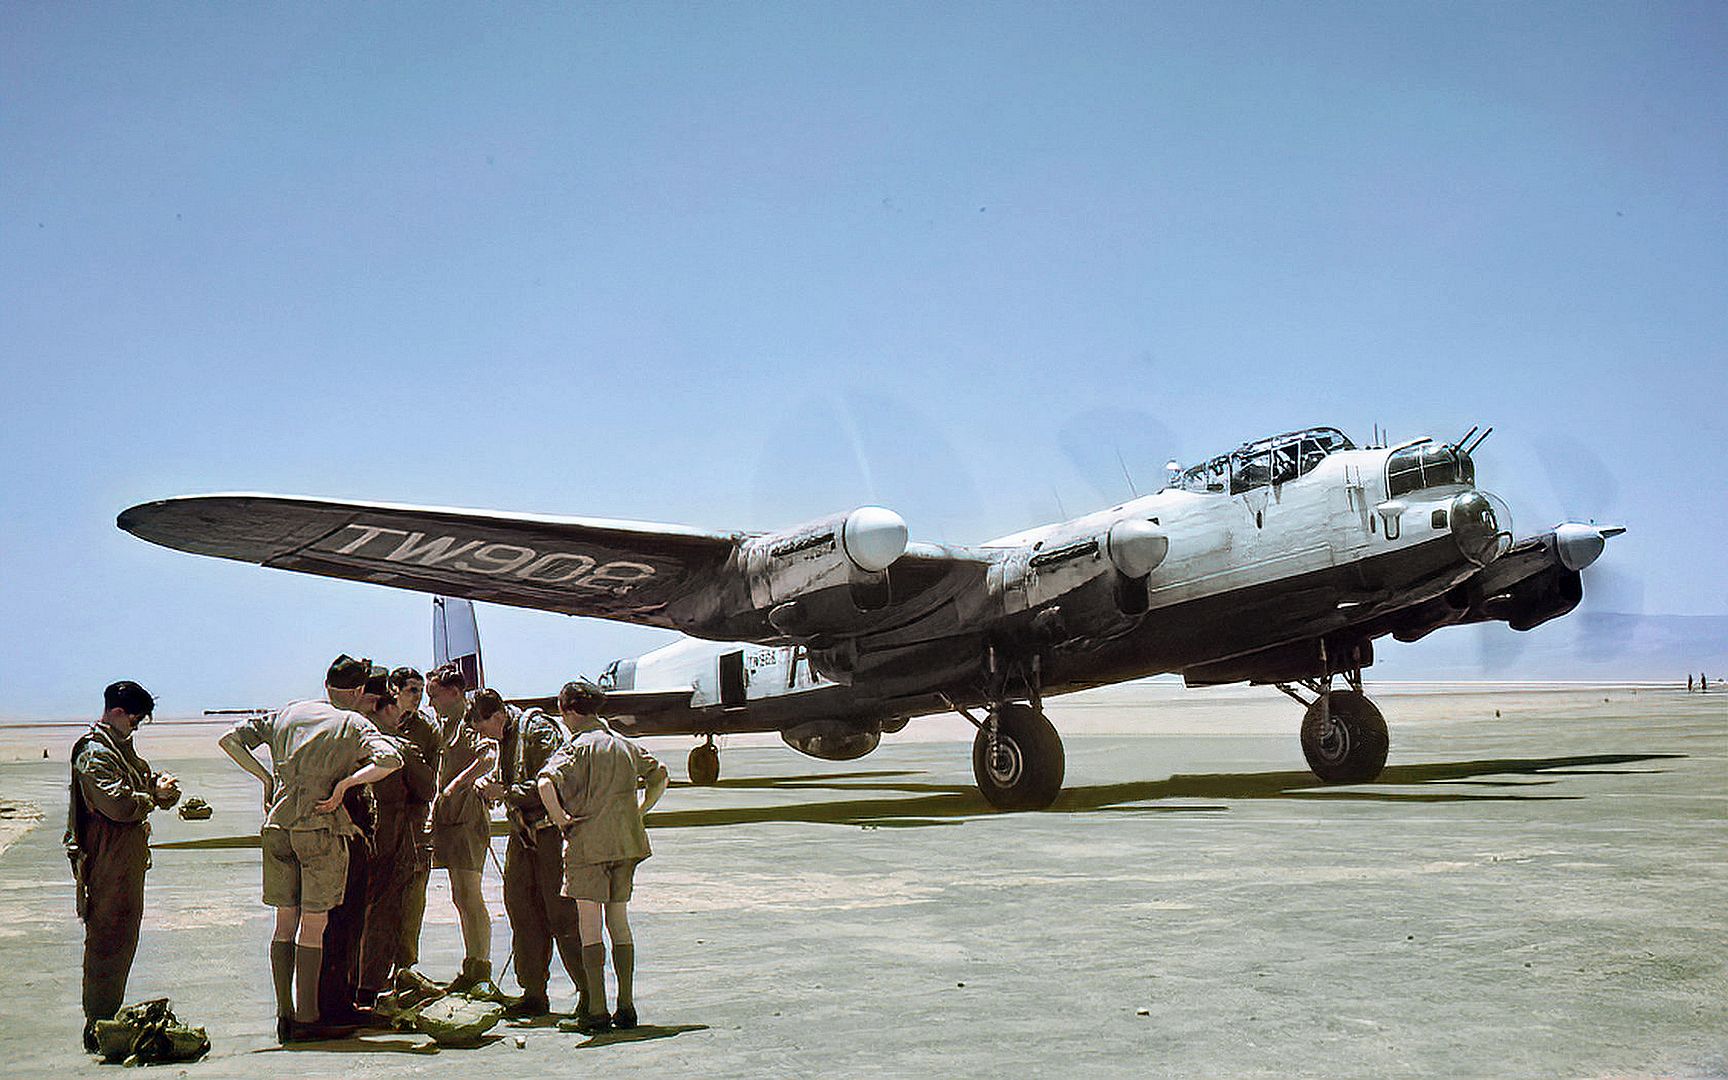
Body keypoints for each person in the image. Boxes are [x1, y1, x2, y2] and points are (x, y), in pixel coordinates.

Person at [217, 655, 402, 1042]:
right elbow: (389, 759)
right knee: (314, 925)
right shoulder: (352, 723)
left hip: (278, 826)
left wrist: (266, 779)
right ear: (357, 691)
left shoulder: (290, 713)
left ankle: (284, 1014)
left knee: (285, 923)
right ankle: (308, 1016)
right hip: (318, 829)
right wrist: (345, 785)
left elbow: (230, 739)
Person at [538, 681, 669, 1032]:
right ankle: (626, 1006)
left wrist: (561, 819)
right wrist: (640, 811)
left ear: (568, 711)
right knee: (619, 921)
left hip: (588, 845)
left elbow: (545, 783)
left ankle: (596, 1009)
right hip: (626, 842)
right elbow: (659, 774)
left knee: (590, 924)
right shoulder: (624, 745)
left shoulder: (576, 747)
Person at [65, 681, 181, 1053]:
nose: (136, 726)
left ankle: (106, 1021)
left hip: (124, 859)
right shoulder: (95, 753)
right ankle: (98, 1025)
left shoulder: (119, 748)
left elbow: (140, 781)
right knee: (107, 940)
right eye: (134, 719)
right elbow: (116, 804)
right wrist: (153, 798)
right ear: (117, 712)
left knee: (122, 937)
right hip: (106, 860)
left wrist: (161, 788)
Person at [489, 701, 580, 1018]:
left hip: (551, 834)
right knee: (522, 909)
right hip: (524, 835)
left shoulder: (539, 731)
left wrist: (505, 793)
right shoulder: (507, 737)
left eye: (484, 727)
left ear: (497, 716)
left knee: (562, 914)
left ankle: (588, 994)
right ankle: (533, 992)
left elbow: (553, 782)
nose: (484, 736)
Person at [430, 684, 506, 993]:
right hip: (450, 819)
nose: (431, 702)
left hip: (467, 819)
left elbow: (488, 757)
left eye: (435, 695)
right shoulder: (446, 726)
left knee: (470, 894)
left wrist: (456, 785)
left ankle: (481, 967)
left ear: (453, 693)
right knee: (460, 895)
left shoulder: (468, 725)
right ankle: (471, 965)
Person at [372, 666, 440, 986]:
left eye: (421, 691)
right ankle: (374, 973)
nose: (418, 697)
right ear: (394, 691)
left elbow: (430, 781)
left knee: (412, 899)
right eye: (412, 690)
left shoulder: (425, 729)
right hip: (381, 821)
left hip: (413, 821)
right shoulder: (374, 722)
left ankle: (405, 967)